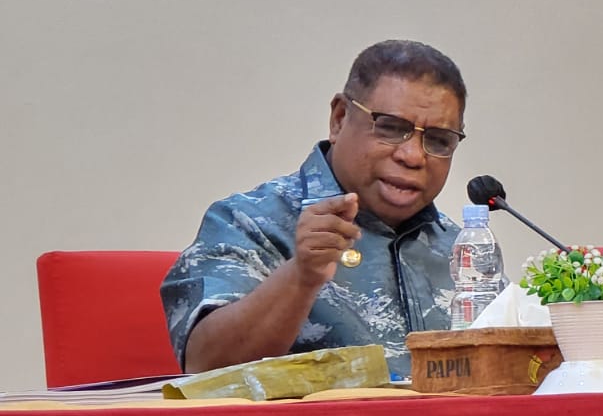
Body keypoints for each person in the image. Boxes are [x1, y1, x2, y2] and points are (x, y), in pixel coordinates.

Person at [162, 39, 468, 378]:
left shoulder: (462, 249)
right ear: (339, 119)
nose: (412, 156)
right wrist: (301, 276)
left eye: (438, 140)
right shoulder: (248, 222)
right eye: (391, 128)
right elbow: (206, 365)